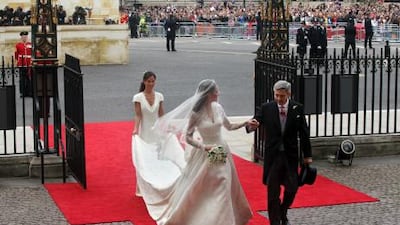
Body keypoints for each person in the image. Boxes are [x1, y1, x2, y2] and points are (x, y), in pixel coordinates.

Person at [133, 79, 254, 225]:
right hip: (206, 152)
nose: (219, 93)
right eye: (216, 91)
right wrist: (204, 147)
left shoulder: (218, 108)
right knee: (203, 187)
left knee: (224, 182)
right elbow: (188, 137)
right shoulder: (196, 114)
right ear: (209, 94)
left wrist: (245, 123)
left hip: (222, 151)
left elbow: (229, 126)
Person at [247, 80, 313, 225]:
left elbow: (304, 133)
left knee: (292, 188)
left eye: (282, 96)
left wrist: (307, 156)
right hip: (273, 157)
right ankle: (275, 221)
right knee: (273, 192)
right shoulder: (267, 108)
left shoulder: (297, 108)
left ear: (289, 94)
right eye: (276, 95)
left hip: (290, 156)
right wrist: (252, 125)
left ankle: (283, 211)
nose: (278, 99)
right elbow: (255, 122)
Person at [132, 71, 164, 196]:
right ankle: (142, 188)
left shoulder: (160, 96)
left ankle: (155, 184)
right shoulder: (138, 97)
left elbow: (161, 114)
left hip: (157, 132)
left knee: (156, 158)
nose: (151, 83)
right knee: (144, 159)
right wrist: (135, 129)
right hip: (144, 131)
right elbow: (138, 115)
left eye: (153, 81)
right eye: (149, 81)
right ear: (144, 81)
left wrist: (165, 126)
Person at [15, 31, 32, 97]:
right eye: (23, 36)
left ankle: (30, 92)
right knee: (22, 79)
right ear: (21, 37)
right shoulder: (18, 45)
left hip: (29, 63)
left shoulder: (30, 44)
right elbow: (16, 54)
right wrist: (18, 62)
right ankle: (23, 92)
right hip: (22, 64)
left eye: (25, 36)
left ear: (27, 37)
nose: (24, 37)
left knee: (29, 78)